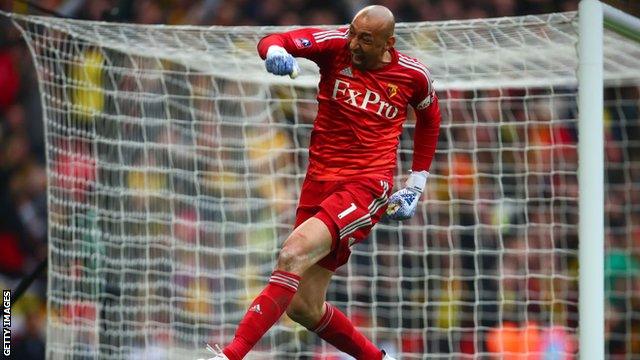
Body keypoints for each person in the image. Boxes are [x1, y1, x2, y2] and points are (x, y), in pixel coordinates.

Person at [202, 5, 441, 360]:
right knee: (304, 307)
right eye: (353, 33)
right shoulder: (336, 47)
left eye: (366, 39)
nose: (355, 44)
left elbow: (430, 119)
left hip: (366, 185)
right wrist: (277, 53)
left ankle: (230, 355)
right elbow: (274, 39)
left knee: (292, 252)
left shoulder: (412, 75)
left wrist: (415, 184)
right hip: (317, 183)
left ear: (388, 43)